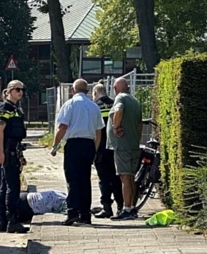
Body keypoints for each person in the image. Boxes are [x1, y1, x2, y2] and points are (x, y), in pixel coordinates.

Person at [50, 79, 103, 226]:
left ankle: (72, 212)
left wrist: (55, 146)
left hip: (74, 144)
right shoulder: (94, 107)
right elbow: (99, 132)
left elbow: (62, 127)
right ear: (87, 91)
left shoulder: (70, 105)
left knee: (72, 179)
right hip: (89, 145)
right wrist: (95, 149)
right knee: (85, 180)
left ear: (73, 90)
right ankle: (85, 215)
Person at [107, 77, 143, 220]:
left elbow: (118, 110)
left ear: (116, 89)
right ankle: (132, 207)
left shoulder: (120, 98)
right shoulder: (135, 101)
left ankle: (127, 209)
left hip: (122, 145)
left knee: (125, 177)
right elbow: (140, 124)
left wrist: (115, 127)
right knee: (131, 177)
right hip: (133, 144)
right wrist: (136, 140)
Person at [0, 80, 28, 233]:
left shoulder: (16, 108)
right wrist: (0, 151)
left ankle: (4, 221)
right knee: (12, 187)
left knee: (5, 187)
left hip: (14, 149)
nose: (20, 92)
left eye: (22, 90)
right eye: (17, 89)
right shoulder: (5, 108)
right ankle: (12, 220)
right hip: (9, 151)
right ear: (9, 91)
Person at [92, 83, 123, 218]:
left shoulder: (94, 107)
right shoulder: (114, 104)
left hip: (101, 148)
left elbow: (94, 128)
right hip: (115, 147)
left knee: (103, 179)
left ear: (95, 93)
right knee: (116, 177)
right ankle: (121, 206)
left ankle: (107, 207)